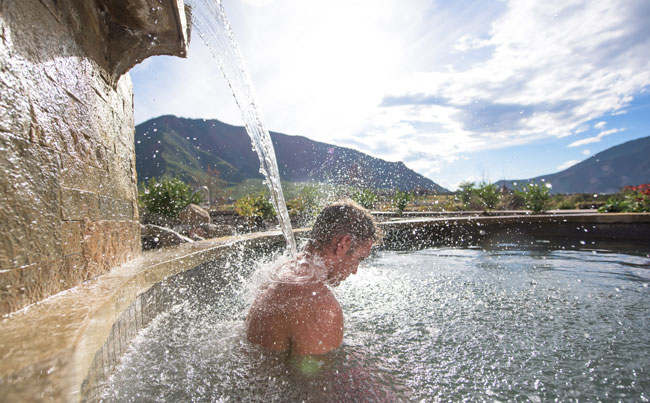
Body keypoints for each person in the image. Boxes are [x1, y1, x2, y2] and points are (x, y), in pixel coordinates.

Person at [246, 199, 381, 357]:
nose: (355, 270)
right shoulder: (318, 304)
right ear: (343, 244)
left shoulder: (280, 273)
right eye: (359, 258)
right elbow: (317, 379)